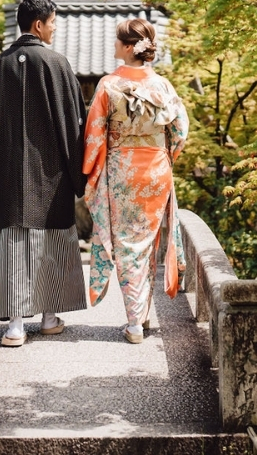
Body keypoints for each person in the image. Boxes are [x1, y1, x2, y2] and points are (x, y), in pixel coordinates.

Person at [0, 0, 88, 346]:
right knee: (52, 238)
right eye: (53, 23)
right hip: (51, 174)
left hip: (9, 176)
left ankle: (16, 326)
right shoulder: (57, 64)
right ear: (38, 25)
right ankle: (48, 318)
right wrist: (79, 173)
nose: (54, 28)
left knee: (15, 241)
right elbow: (73, 125)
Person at [82, 18, 189, 344]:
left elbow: (94, 136)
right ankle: (141, 313)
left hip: (123, 171)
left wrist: (92, 171)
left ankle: (134, 324)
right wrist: (165, 157)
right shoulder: (164, 87)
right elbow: (181, 131)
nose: (114, 46)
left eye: (117, 42)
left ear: (129, 47)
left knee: (128, 246)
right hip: (156, 169)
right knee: (149, 244)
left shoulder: (108, 85)